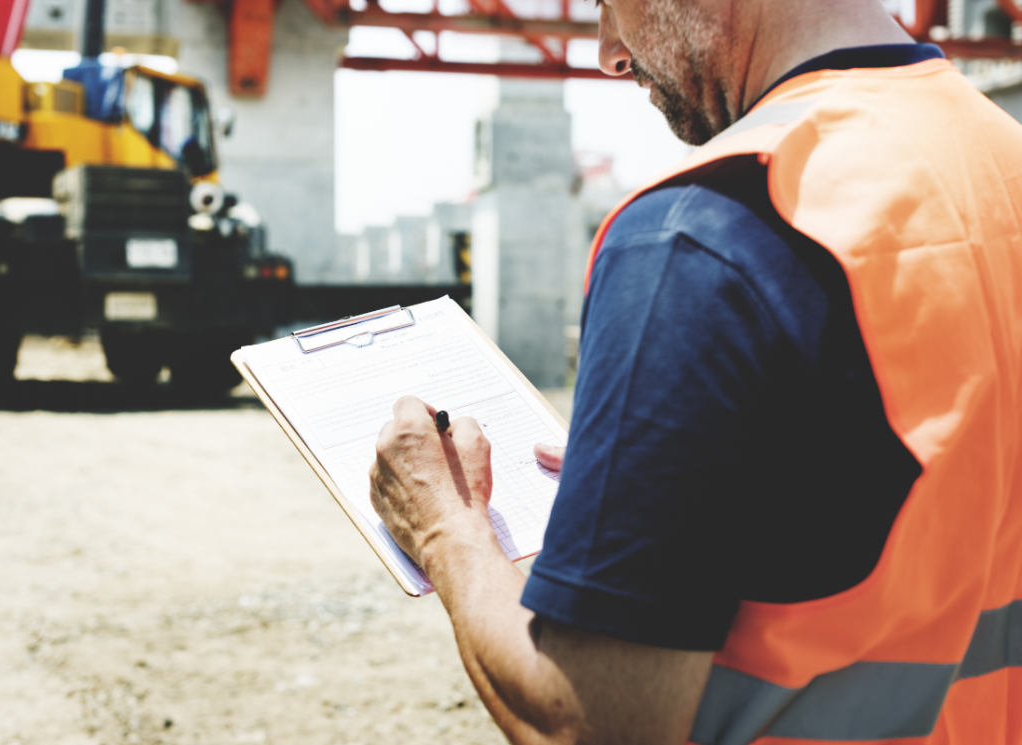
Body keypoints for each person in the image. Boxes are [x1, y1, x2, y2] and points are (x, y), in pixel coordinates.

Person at [369, 0, 1022, 742]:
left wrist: (444, 530)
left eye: (612, 7)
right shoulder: (1001, 154)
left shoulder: (703, 231)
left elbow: (589, 720)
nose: (608, 52)